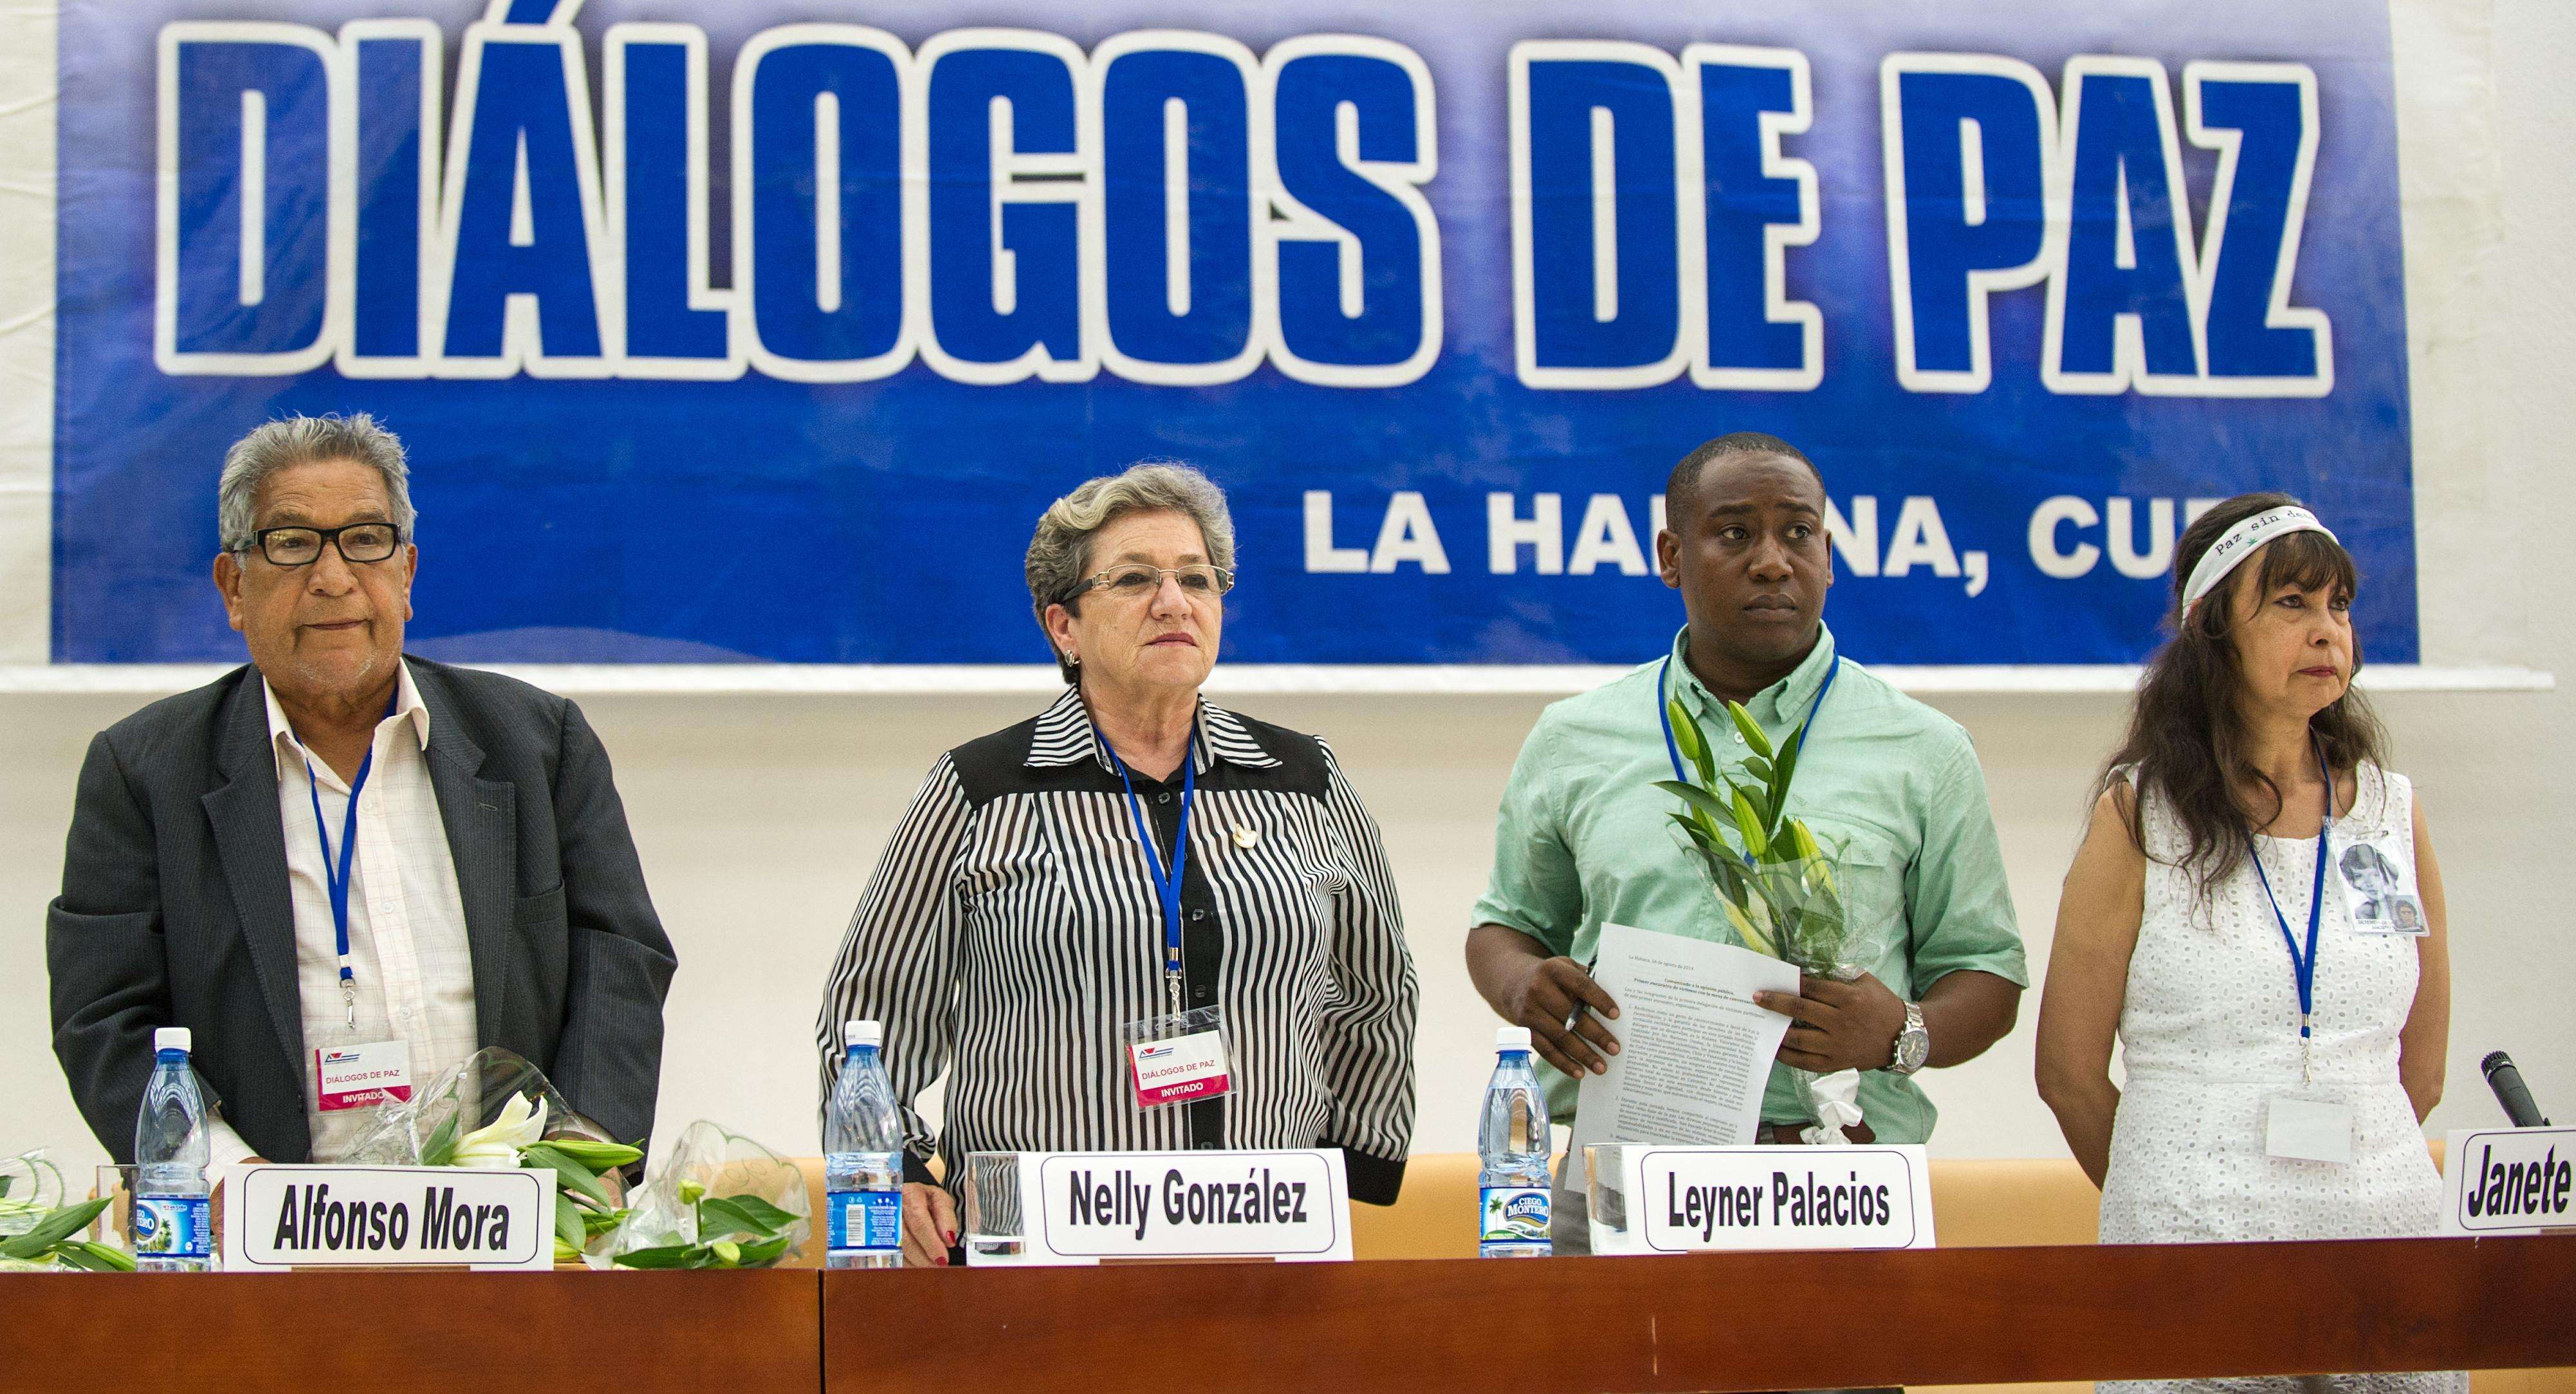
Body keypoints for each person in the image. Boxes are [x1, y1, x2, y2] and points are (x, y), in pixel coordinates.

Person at [816, 461, 1419, 1266]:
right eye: (1135, 579)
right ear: (1061, 625)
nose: (1174, 602)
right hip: (1037, 1247)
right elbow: (871, 1006)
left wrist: (1344, 1164)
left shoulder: (1303, 779)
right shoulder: (983, 789)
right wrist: (898, 1167)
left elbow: (1374, 988)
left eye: (1197, 579)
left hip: (1263, 1238)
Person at [48, 414, 677, 1168]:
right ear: (233, 587)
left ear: (406, 574)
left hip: (510, 1229)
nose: (334, 576)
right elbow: (104, 1018)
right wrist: (223, 1183)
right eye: (291, 542)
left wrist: (582, 1166)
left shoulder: (538, 745)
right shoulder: (146, 772)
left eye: (365, 539)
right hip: (265, 1238)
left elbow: (620, 961)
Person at [1466, 432, 2028, 1252]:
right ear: (1670, 555)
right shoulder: (1573, 738)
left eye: (1798, 532)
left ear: (1828, 555)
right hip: (1623, 1177)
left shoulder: (1924, 748)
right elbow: (1503, 928)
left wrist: (1902, 1030)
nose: (1772, 561)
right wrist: (1524, 988)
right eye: (1734, 533)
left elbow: (1989, 973)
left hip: (1838, 1185)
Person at [2034, 493, 2457, 1394]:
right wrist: (2175, 1182)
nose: (2327, 632)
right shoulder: (2139, 814)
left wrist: (2337, 1182)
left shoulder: (2390, 809)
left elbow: (2419, 1072)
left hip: (2384, 1248)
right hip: (2193, 1252)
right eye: (2293, 605)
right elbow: (2068, 1073)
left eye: (2339, 606)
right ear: (2212, 631)